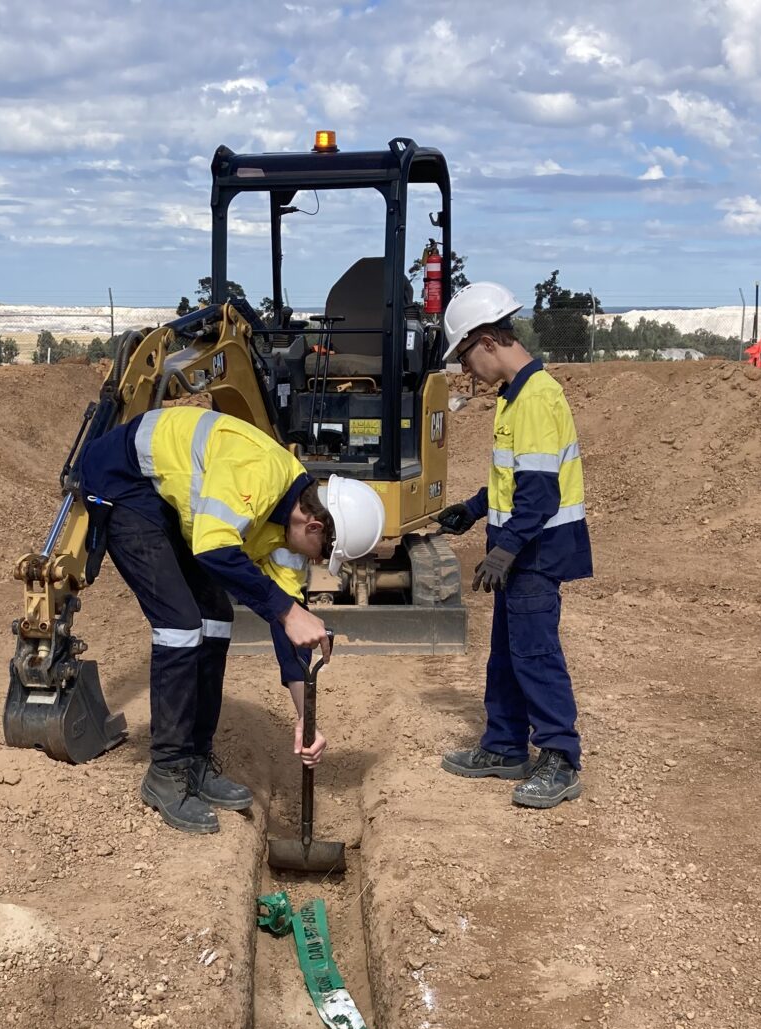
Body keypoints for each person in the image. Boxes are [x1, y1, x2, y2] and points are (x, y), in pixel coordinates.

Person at [77, 405, 385, 834]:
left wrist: (304, 718)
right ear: (314, 525)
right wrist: (285, 609)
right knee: (180, 624)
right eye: (321, 555)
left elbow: (288, 625)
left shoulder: (288, 530)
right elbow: (214, 551)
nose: (313, 562)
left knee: (216, 617)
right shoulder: (257, 474)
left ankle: (195, 760)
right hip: (123, 480)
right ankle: (166, 771)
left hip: (166, 499)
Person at [432, 281, 591, 809]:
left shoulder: (538, 397)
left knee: (535, 652)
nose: (466, 370)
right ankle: (503, 746)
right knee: (505, 654)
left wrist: (503, 551)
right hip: (517, 545)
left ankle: (560, 757)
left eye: (465, 357)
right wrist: (474, 510)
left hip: (537, 551)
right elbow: (516, 481)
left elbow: (541, 495)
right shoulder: (515, 396)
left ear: (488, 341)